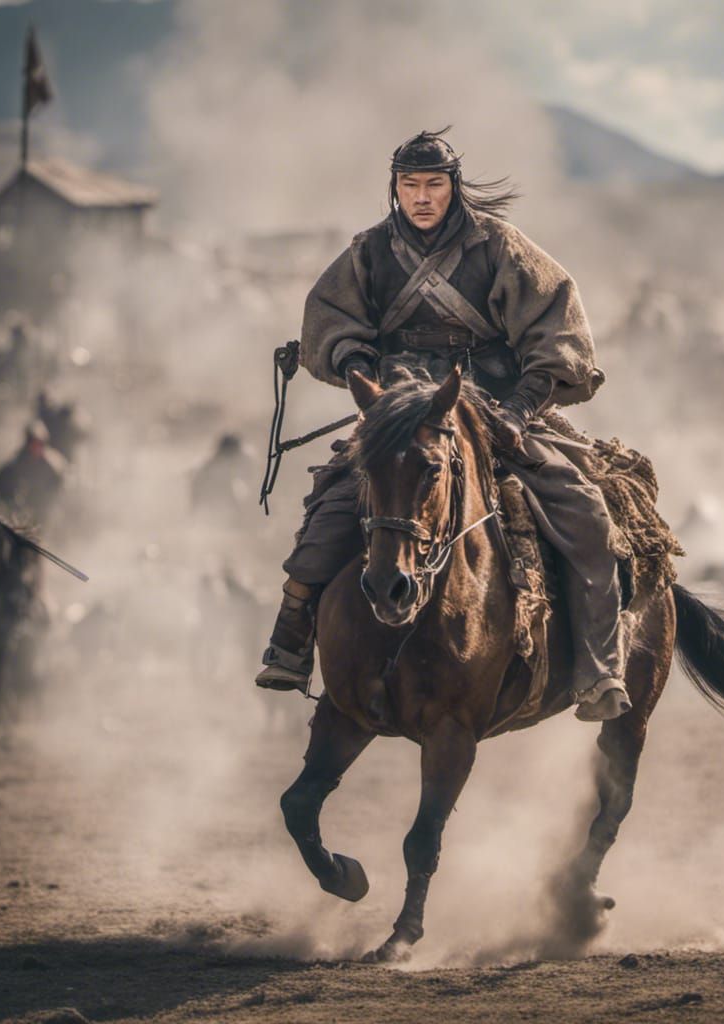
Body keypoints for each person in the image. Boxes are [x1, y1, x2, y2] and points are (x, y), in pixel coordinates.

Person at [254, 128, 630, 722]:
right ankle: (292, 640)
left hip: (497, 408)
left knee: (583, 510)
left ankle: (599, 668)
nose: (422, 197)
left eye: (433, 185)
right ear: (395, 190)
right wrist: (359, 371)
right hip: (402, 415)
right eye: (411, 185)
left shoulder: (501, 247)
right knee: (331, 504)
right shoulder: (369, 252)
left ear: (453, 189)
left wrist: (519, 408)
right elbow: (331, 320)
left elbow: (556, 333)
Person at [0, 420, 66, 528]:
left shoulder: (53, 464)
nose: (36, 447)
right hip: (23, 506)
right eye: (33, 443)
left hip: (43, 507)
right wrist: (8, 500)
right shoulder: (18, 460)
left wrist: (50, 499)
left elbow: (60, 481)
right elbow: (0, 478)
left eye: (39, 443)